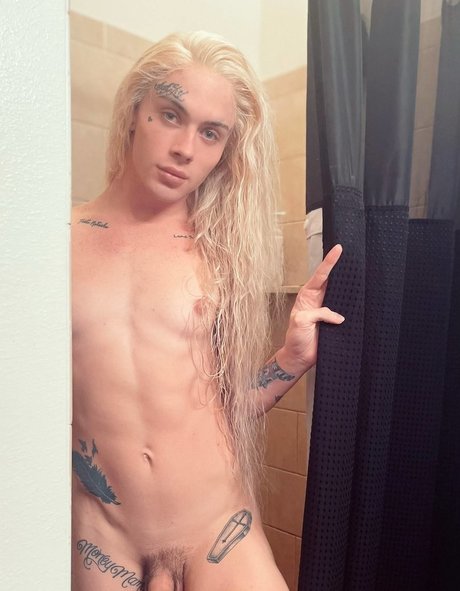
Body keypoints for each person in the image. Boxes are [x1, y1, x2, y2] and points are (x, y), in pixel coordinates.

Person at [71, 31, 343, 591]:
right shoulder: (58, 240)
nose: (185, 149)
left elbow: (228, 413)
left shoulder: (218, 252)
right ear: (134, 113)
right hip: (102, 537)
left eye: (210, 133)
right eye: (171, 115)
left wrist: (290, 360)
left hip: (218, 527)